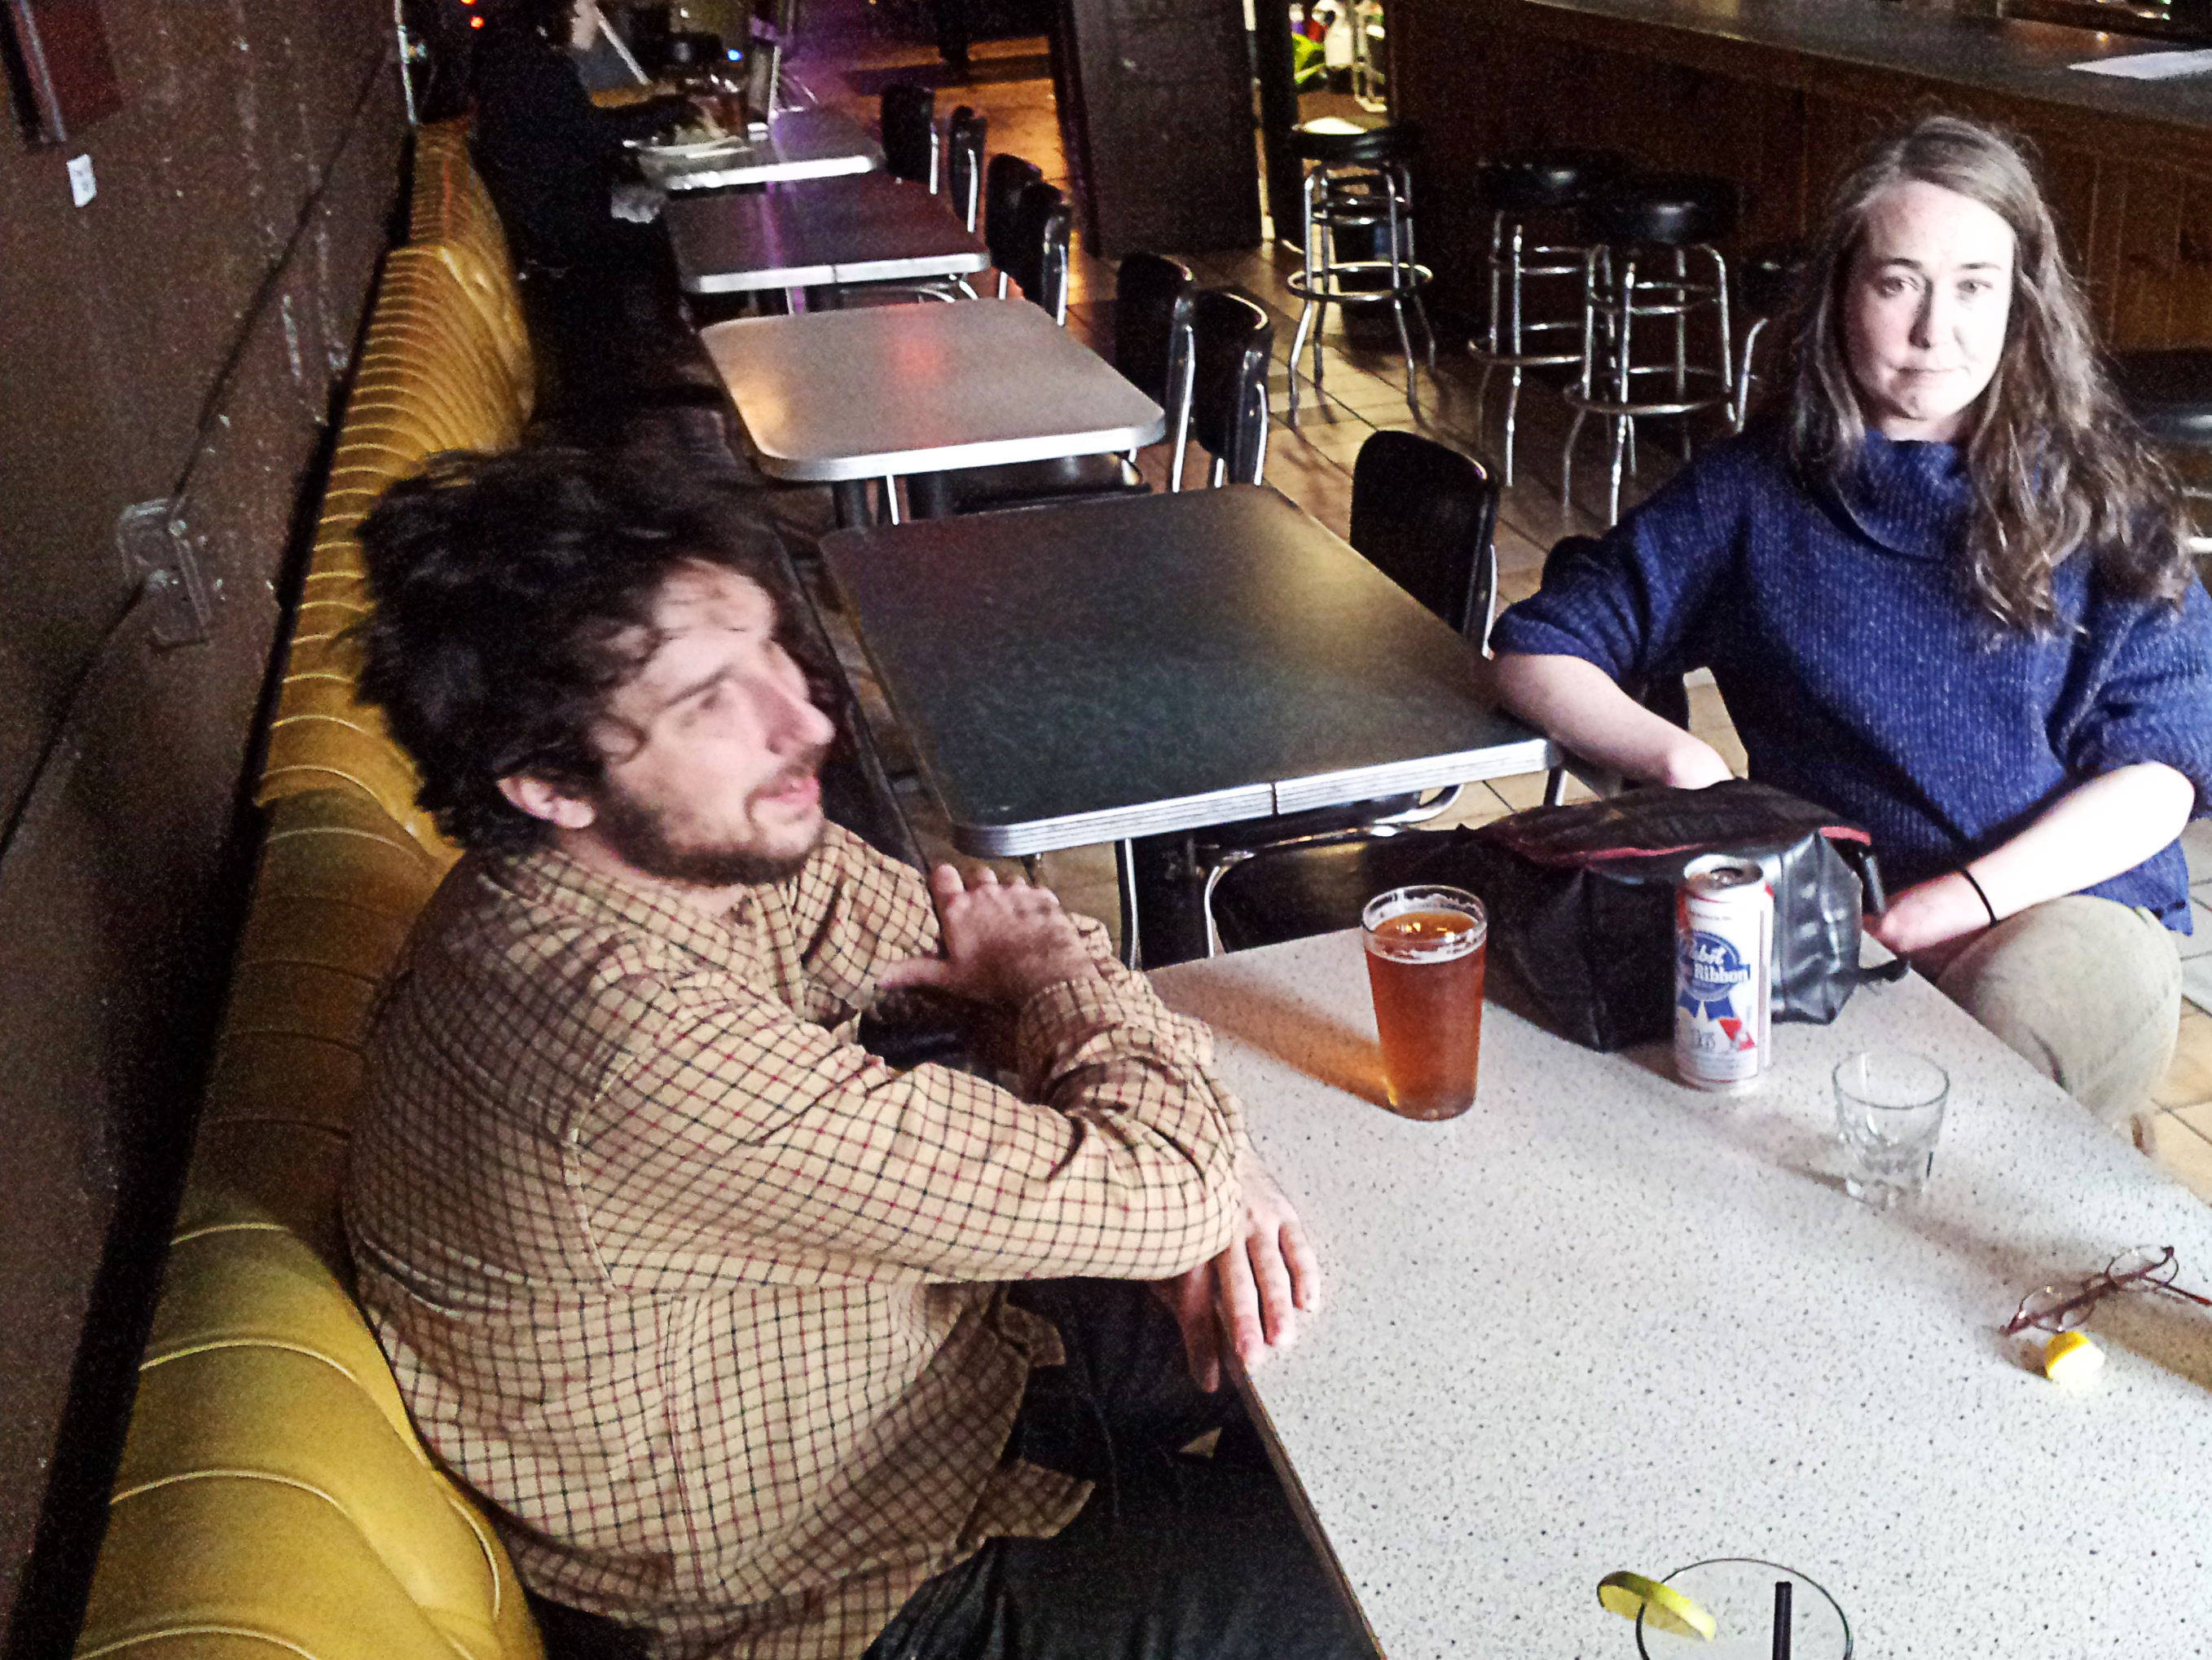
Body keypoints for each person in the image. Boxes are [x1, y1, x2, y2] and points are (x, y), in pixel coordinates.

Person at [341, 448, 1371, 1660]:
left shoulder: (692, 854)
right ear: (548, 786)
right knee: (1392, 1573)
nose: (806, 721)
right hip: (838, 1592)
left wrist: (1196, 1176)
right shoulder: (620, 1041)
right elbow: (1099, 1068)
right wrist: (1161, 1141)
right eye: (708, 700)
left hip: (939, 1375)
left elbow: (984, 939)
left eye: (771, 649)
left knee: (1341, 1286)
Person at [1491, 115, 2212, 1130]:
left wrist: (1951, 904)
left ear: (2022, 304)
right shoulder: (1755, 495)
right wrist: (1685, 767)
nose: (1935, 330)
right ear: (1839, 292)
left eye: (1975, 287)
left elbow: (2158, 778)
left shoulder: (2100, 500)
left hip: (2068, 901)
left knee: (1976, 1069)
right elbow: (1537, 648)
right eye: (1897, 283)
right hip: (1830, 912)